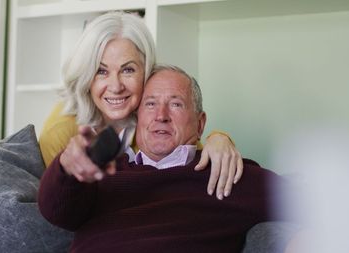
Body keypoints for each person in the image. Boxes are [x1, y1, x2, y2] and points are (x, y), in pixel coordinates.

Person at [38, 65, 292, 253]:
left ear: (200, 123)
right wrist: (66, 166)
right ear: (138, 118)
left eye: (176, 104)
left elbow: (313, 201)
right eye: (150, 104)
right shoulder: (105, 171)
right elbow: (56, 212)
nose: (161, 115)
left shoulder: (225, 175)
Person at [38, 11, 243, 198]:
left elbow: (189, 148)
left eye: (128, 70)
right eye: (101, 71)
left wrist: (219, 138)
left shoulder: (150, 117)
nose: (116, 86)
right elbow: (59, 204)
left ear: (146, 71)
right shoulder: (60, 131)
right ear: (86, 76)